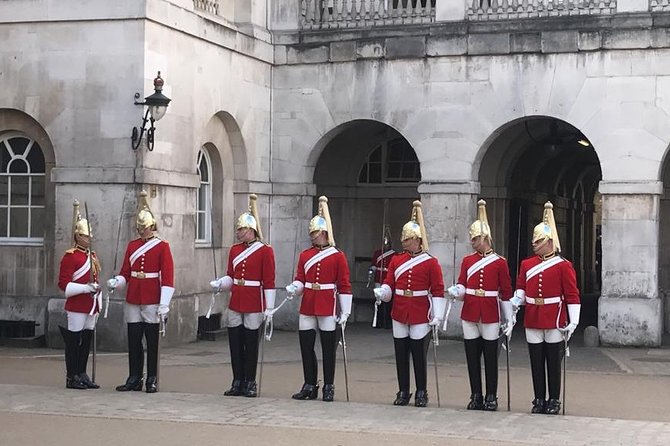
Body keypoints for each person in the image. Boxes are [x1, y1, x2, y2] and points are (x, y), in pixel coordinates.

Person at [511, 201, 581, 415]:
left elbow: (571, 294)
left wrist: (574, 320)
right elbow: (521, 286)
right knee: (536, 361)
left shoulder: (563, 265)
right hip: (533, 315)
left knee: (552, 361)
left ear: (549, 242)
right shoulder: (527, 264)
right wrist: (517, 299)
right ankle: (539, 398)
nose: (534, 244)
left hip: (554, 317)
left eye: (539, 241)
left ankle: (554, 399)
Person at [374, 200, 445, 408]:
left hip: (420, 311)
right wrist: (383, 292)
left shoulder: (430, 262)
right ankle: (403, 390)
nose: (403, 243)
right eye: (403, 239)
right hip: (400, 310)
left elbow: (437, 289)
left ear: (417, 240)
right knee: (401, 354)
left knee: (418, 354)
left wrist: (437, 315)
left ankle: (421, 391)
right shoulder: (396, 260)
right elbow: (390, 283)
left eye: (407, 239)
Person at [447, 199, 513, 411]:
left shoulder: (500, 262)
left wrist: (509, 317)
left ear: (484, 238)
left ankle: (491, 395)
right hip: (471, 311)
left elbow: (506, 292)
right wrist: (457, 291)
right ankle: (476, 394)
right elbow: (463, 283)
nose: (472, 242)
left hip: (490, 312)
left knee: (491, 356)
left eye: (475, 238)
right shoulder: (468, 261)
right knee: (472, 356)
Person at [107, 190, 175, 393]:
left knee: (152, 341)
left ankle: (152, 378)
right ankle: (134, 376)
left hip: (152, 297)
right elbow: (125, 273)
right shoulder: (132, 245)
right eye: (139, 227)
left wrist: (164, 303)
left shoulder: (162, 246)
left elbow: (168, 277)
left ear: (151, 226)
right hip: (134, 296)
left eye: (143, 227)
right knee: (134, 339)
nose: (140, 230)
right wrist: (116, 281)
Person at [286, 196, 352, 402]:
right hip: (308, 304)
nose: (312, 236)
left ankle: (329, 385)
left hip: (327, 305)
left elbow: (344, 284)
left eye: (314, 233)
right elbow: (300, 279)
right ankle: (310, 384)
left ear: (323, 233)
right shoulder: (305, 255)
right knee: (306, 346)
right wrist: (294, 288)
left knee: (328, 348)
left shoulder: (337, 255)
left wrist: (345, 310)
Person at [210, 193, 276, 398]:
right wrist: (221, 283)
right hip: (236, 300)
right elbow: (232, 276)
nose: (237, 232)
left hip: (255, 302)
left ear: (250, 230)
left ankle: (250, 381)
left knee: (251, 344)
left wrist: (269, 307)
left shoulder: (265, 251)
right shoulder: (234, 250)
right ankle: (237, 380)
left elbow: (269, 282)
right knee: (235, 344)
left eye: (240, 229)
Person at [57, 199, 102, 390]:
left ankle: (82, 373)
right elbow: (63, 285)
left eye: (89, 235)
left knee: (86, 340)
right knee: (74, 341)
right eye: (85, 236)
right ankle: (72, 375)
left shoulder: (91, 255)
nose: (89, 238)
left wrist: (96, 292)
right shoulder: (70, 256)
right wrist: (85, 288)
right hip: (76, 305)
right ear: (78, 236)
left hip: (91, 305)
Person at [369, 224, 395, 329]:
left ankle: (387, 323)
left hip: (387, 279)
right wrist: (373, 269)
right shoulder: (378, 253)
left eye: (387, 242)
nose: (386, 245)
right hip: (378, 278)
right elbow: (374, 264)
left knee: (388, 301)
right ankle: (378, 322)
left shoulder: (394, 254)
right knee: (378, 301)